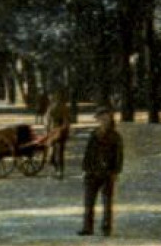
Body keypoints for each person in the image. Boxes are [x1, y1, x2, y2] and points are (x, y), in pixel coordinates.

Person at [79, 106, 123, 236]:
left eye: (105, 118)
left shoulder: (115, 137)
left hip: (107, 173)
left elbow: (119, 156)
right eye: (100, 119)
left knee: (107, 202)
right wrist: (85, 168)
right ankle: (88, 227)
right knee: (88, 202)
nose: (102, 121)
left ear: (110, 119)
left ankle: (106, 227)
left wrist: (115, 171)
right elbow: (88, 152)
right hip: (92, 172)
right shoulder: (94, 134)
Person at [47, 93, 72, 179]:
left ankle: (59, 171)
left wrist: (59, 130)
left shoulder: (61, 108)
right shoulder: (54, 107)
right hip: (55, 133)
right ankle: (57, 170)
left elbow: (65, 122)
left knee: (58, 153)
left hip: (59, 133)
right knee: (55, 153)